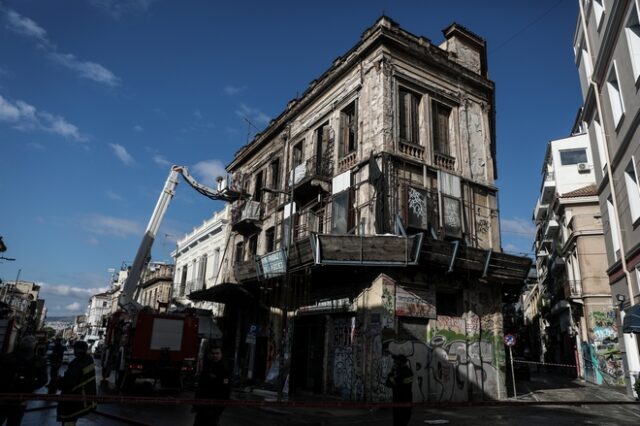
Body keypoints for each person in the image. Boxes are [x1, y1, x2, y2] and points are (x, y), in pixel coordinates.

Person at [0, 335, 48, 426]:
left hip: (3, 396)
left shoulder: (6, 357)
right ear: (34, 346)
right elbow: (43, 380)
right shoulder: (39, 360)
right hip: (21, 399)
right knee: (14, 422)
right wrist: (29, 388)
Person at [55, 341, 97, 426]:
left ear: (77, 350)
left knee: (68, 419)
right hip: (86, 398)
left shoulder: (76, 364)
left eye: (75, 349)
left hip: (73, 400)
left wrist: (58, 381)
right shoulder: (89, 359)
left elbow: (68, 383)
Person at [193, 344, 231, 426]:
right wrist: (195, 404)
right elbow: (201, 387)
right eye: (213, 353)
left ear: (221, 354)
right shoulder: (207, 367)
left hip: (214, 407)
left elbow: (226, 391)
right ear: (209, 354)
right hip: (202, 405)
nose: (215, 355)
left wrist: (220, 409)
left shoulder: (224, 370)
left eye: (217, 353)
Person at [385, 354, 413, 426]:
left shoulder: (399, 374)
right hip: (407, 400)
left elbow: (388, 383)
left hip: (398, 401)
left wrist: (391, 373)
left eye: (396, 361)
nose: (394, 362)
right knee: (404, 421)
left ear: (400, 362)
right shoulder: (409, 372)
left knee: (398, 422)